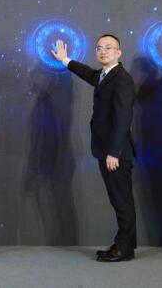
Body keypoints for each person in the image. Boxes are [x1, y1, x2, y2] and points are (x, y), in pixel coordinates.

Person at [51, 35, 136, 262]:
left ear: (119, 53)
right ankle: (125, 244)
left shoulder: (122, 79)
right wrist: (65, 59)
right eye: (99, 48)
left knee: (122, 201)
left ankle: (124, 248)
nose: (103, 51)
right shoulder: (104, 75)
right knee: (118, 199)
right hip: (106, 149)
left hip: (116, 152)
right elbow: (88, 73)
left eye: (108, 48)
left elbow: (123, 119)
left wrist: (114, 152)